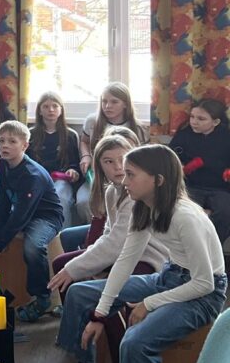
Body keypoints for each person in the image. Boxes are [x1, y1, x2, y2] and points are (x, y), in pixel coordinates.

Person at [56, 145, 227, 363]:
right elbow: (125, 261)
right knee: (79, 293)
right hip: (169, 276)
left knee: (134, 342)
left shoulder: (185, 217)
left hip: (202, 296)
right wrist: (99, 313)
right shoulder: (143, 207)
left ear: (158, 180)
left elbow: (204, 284)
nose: (124, 180)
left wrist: (149, 303)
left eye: (131, 174)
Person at [47, 135, 168, 298]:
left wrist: (78, 268)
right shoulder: (111, 191)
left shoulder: (135, 194)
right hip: (122, 253)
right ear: (100, 166)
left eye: (122, 159)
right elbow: (108, 234)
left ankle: (99, 312)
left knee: (78, 277)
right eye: (108, 161)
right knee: (61, 264)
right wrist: (87, 261)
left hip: (147, 258)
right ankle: (77, 309)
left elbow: (116, 243)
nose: (118, 167)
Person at [0, 120, 64, 322]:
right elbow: (4, 200)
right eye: (1, 140)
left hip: (45, 217)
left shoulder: (32, 175)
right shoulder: (4, 164)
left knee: (33, 246)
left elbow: (21, 216)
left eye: (12, 141)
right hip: (21, 212)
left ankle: (42, 297)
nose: (5, 145)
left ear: (24, 146)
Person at [75, 82, 148, 223]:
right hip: (97, 175)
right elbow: (84, 141)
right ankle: (95, 229)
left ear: (125, 104)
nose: (108, 106)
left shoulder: (137, 127)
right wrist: (86, 156)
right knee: (83, 203)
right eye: (104, 101)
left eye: (114, 102)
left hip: (125, 177)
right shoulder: (92, 121)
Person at [168, 98, 230, 244]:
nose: (194, 122)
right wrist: (182, 167)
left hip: (219, 188)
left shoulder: (226, 138)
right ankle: (191, 248)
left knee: (225, 212)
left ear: (215, 122)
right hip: (191, 186)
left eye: (201, 119)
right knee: (186, 213)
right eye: (192, 117)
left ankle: (214, 247)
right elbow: (170, 157)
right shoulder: (184, 135)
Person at [28, 91, 82, 229]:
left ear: (61, 110)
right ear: (39, 111)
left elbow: (75, 163)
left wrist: (73, 171)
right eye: (46, 106)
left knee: (60, 197)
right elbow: (27, 162)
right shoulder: (30, 134)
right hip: (37, 180)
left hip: (61, 180)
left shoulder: (70, 135)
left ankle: (62, 237)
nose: (51, 110)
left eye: (55, 106)